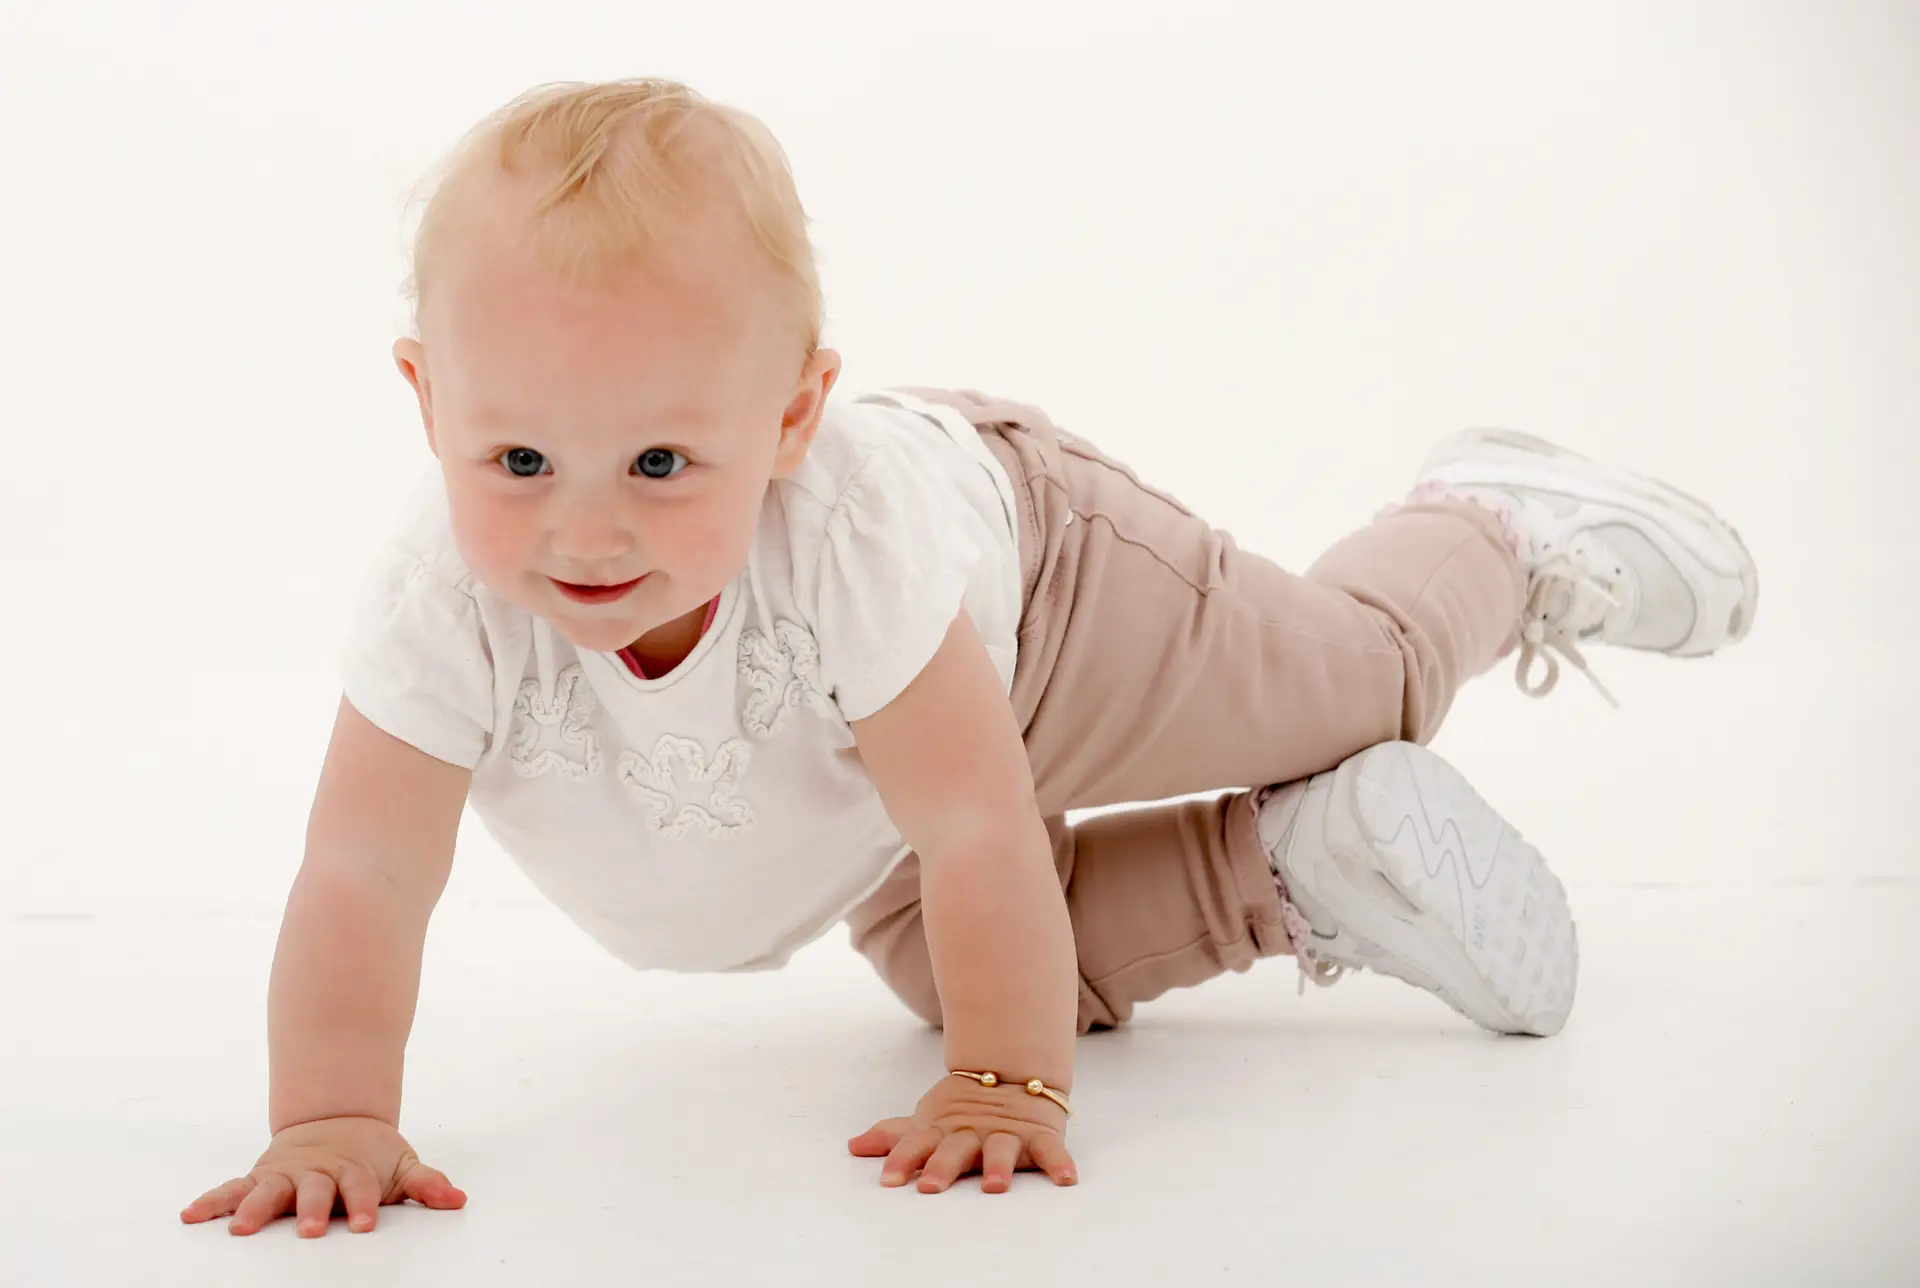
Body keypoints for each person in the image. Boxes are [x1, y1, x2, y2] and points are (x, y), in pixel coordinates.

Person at [180, 76, 1757, 1237]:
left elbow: (975, 820)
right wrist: (332, 1116)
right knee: (953, 970)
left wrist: (1011, 1087)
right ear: (427, 398)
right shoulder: (436, 602)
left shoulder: (847, 535)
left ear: (791, 418)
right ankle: (1293, 868)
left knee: (1356, 681)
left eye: (663, 464)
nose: (585, 530)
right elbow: (365, 877)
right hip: (843, 771)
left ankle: (1488, 524)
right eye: (517, 460)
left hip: (1048, 610)